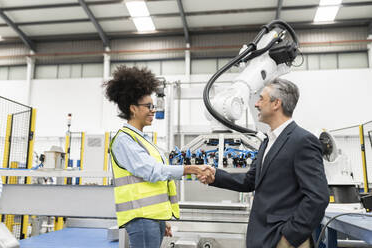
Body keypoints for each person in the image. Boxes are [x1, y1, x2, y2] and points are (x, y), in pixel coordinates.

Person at [199, 78, 329, 248]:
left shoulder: (303, 141)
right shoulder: (268, 141)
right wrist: (215, 176)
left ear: (276, 104)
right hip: (263, 236)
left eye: (261, 98)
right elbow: (250, 181)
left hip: (281, 238)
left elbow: (318, 196)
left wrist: (289, 237)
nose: (256, 104)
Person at [103, 65, 212, 248]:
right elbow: (152, 171)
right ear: (133, 109)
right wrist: (191, 169)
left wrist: (162, 220)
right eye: (148, 106)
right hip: (142, 218)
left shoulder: (141, 139)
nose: (153, 110)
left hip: (152, 218)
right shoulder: (124, 140)